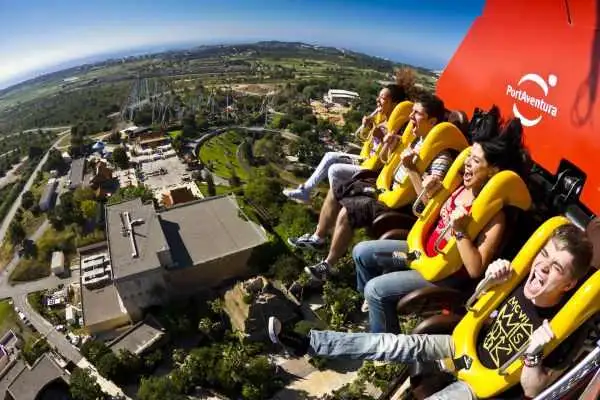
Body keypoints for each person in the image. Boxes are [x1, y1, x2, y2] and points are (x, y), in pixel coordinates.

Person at [268, 224, 593, 399]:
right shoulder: (520, 281)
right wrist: (489, 284)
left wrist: (534, 354)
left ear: (569, 284)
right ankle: (308, 342)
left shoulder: (563, 326)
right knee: (389, 344)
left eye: (556, 268)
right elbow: (471, 308)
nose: (542, 269)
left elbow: (536, 391)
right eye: (544, 256)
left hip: (482, 385)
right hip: (461, 346)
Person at [354, 107, 531, 331]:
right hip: (420, 252)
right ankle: (372, 307)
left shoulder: (496, 216)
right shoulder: (458, 185)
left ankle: (384, 347)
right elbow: (426, 208)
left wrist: (460, 232)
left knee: (376, 290)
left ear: (492, 172)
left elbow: (475, 268)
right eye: (469, 157)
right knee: (361, 252)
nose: (467, 164)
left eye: (476, 161)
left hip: (444, 273)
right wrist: (417, 175)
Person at [288, 93, 451, 277]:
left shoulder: (441, 157)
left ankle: (328, 265)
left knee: (348, 210)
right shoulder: (415, 140)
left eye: (417, 113)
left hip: (402, 206)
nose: (411, 117)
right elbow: (388, 164)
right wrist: (389, 146)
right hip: (386, 189)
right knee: (339, 188)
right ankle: (318, 238)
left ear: (432, 122)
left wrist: (412, 169)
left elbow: (429, 203)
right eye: (411, 112)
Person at [282, 84, 407, 204]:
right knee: (330, 156)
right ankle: (306, 190)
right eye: (378, 96)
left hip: (374, 169)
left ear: (395, 104)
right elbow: (364, 140)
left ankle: (338, 205)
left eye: (383, 98)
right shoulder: (382, 120)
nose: (377, 100)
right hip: (367, 160)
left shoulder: (398, 129)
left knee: (334, 170)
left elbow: (391, 157)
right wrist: (368, 127)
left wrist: (383, 137)